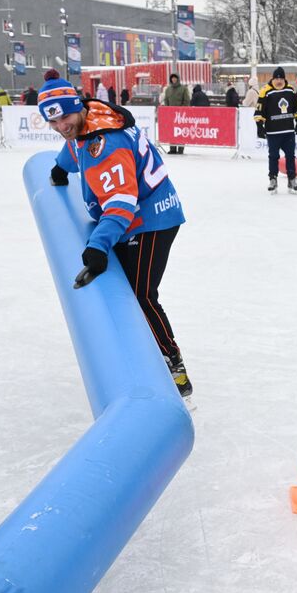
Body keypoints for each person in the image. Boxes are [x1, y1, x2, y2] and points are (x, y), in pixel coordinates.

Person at [44, 79, 192, 396]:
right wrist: (61, 166)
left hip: (152, 219)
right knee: (123, 292)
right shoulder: (89, 117)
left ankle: (174, 365)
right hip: (134, 215)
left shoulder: (106, 144)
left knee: (140, 295)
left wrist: (98, 245)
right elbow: (74, 144)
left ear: (76, 109)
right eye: (52, 121)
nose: (60, 127)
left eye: (63, 118)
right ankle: (138, 358)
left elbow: (121, 203)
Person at [255, 66, 297, 192]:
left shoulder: (290, 90)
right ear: (273, 79)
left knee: (290, 156)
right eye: (276, 78)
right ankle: (273, 179)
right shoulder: (266, 91)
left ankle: (292, 179)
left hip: (288, 131)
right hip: (273, 131)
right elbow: (259, 110)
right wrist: (259, 126)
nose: (279, 81)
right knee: (273, 156)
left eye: (281, 78)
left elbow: (296, 108)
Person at [161, 74, 191, 154]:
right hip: (171, 115)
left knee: (181, 131)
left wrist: (181, 110)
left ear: (178, 79)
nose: (174, 80)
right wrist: (168, 110)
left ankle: (180, 149)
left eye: (175, 78)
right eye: (172, 78)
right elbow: (166, 100)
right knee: (172, 131)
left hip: (181, 115)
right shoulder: (168, 89)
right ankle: (172, 148)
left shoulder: (183, 89)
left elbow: (186, 101)